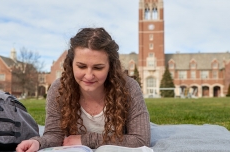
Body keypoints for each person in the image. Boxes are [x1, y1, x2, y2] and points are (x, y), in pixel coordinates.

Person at [16, 27, 150, 152]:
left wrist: (85, 140)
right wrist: (38, 143)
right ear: (71, 64)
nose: (89, 75)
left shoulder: (129, 88)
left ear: (111, 67)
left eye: (98, 68)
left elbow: (140, 140)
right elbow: (54, 135)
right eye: (81, 66)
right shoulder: (59, 89)